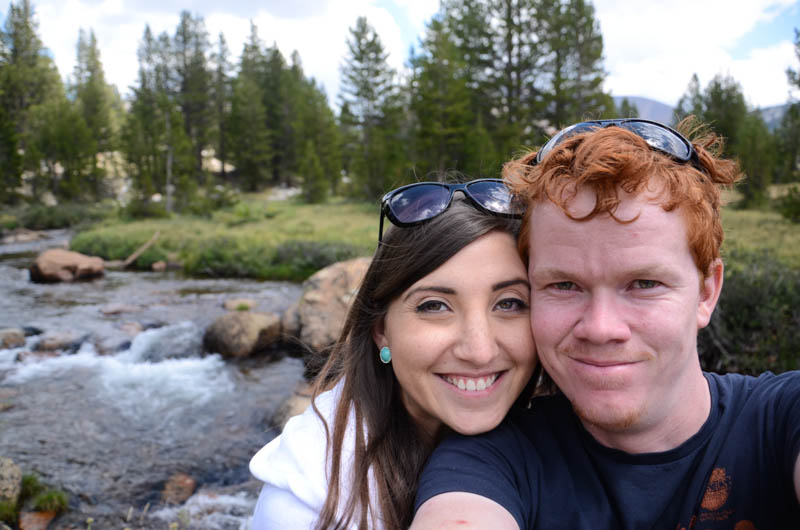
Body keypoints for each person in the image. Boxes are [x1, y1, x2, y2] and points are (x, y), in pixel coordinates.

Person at [410, 119, 800, 529]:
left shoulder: (781, 419)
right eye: (564, 285)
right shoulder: (491, 461)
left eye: (644, 284)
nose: (600, 328)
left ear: (706, 292)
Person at [249, 178, 539, 529]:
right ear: (381, 330)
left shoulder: (571, 423)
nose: (479, 351)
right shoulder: (308, 498)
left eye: (509, 303)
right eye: (434, 306)